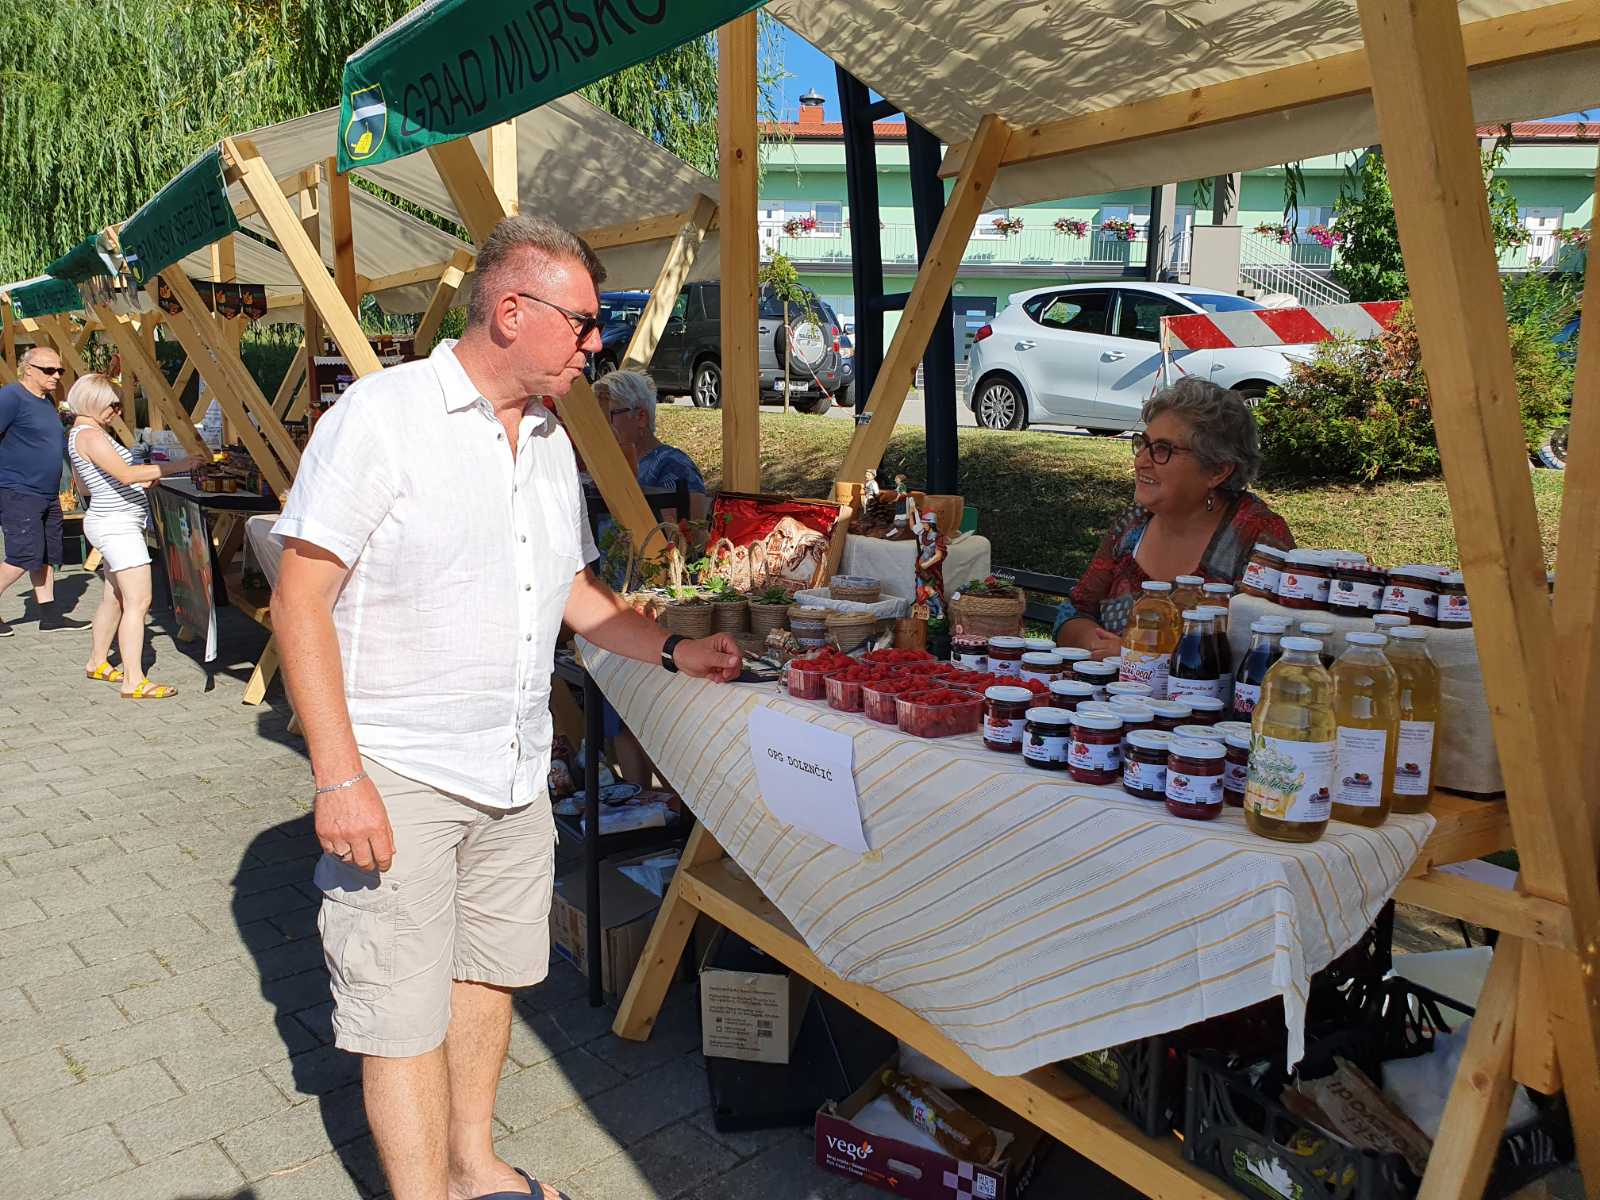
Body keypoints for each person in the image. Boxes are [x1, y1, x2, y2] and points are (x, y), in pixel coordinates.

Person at [270, 214, 741, 1200]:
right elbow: (299, 598)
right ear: (512, 311)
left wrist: (673, 648)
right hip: (398, 769)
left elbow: (571, 590)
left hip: (516, 770)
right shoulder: (382, 417)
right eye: (583, 322)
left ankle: (474, 1166)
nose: (595, 343)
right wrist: (339, 777)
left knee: (487, 975)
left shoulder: (549, 441)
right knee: (400, 1011)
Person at [1055, 378, 1294, 656]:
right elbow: (1075, 611)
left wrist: (1137, 657)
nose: (1141, 461)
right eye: (1143, 444)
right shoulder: (1133, 523)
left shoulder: (1259, 537)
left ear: (1217, 471)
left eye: (1162, 450)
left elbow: (1269, 651)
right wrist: (1093, 642)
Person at [65, 374, 201, 698]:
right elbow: (126, 474)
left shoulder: (78, 434)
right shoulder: (92, 435)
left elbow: (86, 485)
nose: (118, 410)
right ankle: (134, 679)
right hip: (118, 526)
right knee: (138, 602)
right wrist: (178, 465)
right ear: (94, 402)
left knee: (114, 596)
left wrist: (138, 479)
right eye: (112, 404)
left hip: (107, 519)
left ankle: (98, 661)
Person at [0, 345, 87, 635]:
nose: (57, 375)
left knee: (47, 553)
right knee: (23, 555)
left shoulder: (46, 400)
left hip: (47, 492)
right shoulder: (11, 396)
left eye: (59, 370)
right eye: (49, 370)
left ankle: (50, 616)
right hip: (19, 491)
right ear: (28, 369)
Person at [595, 369, 708, 520]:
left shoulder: (674, 465)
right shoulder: (602, 463)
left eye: (608, 415)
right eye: (596, 416)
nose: (599, 424)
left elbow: (684, 531)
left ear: (641, 417)